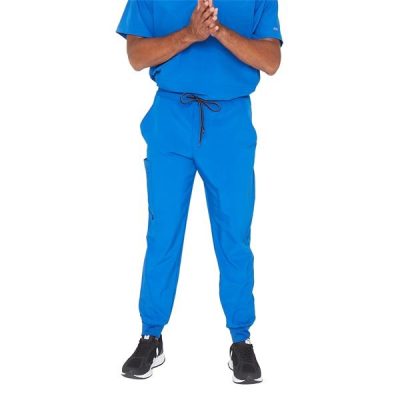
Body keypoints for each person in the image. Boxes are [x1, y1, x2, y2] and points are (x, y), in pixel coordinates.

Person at [116, 0, 282, 384]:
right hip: (171, 119)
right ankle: (151, 335)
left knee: (234, 235)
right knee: (163, 232)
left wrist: (217, 31)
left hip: (230, 124)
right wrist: (190, 34)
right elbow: (136, 56)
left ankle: (241, 338)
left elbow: (271, 61)